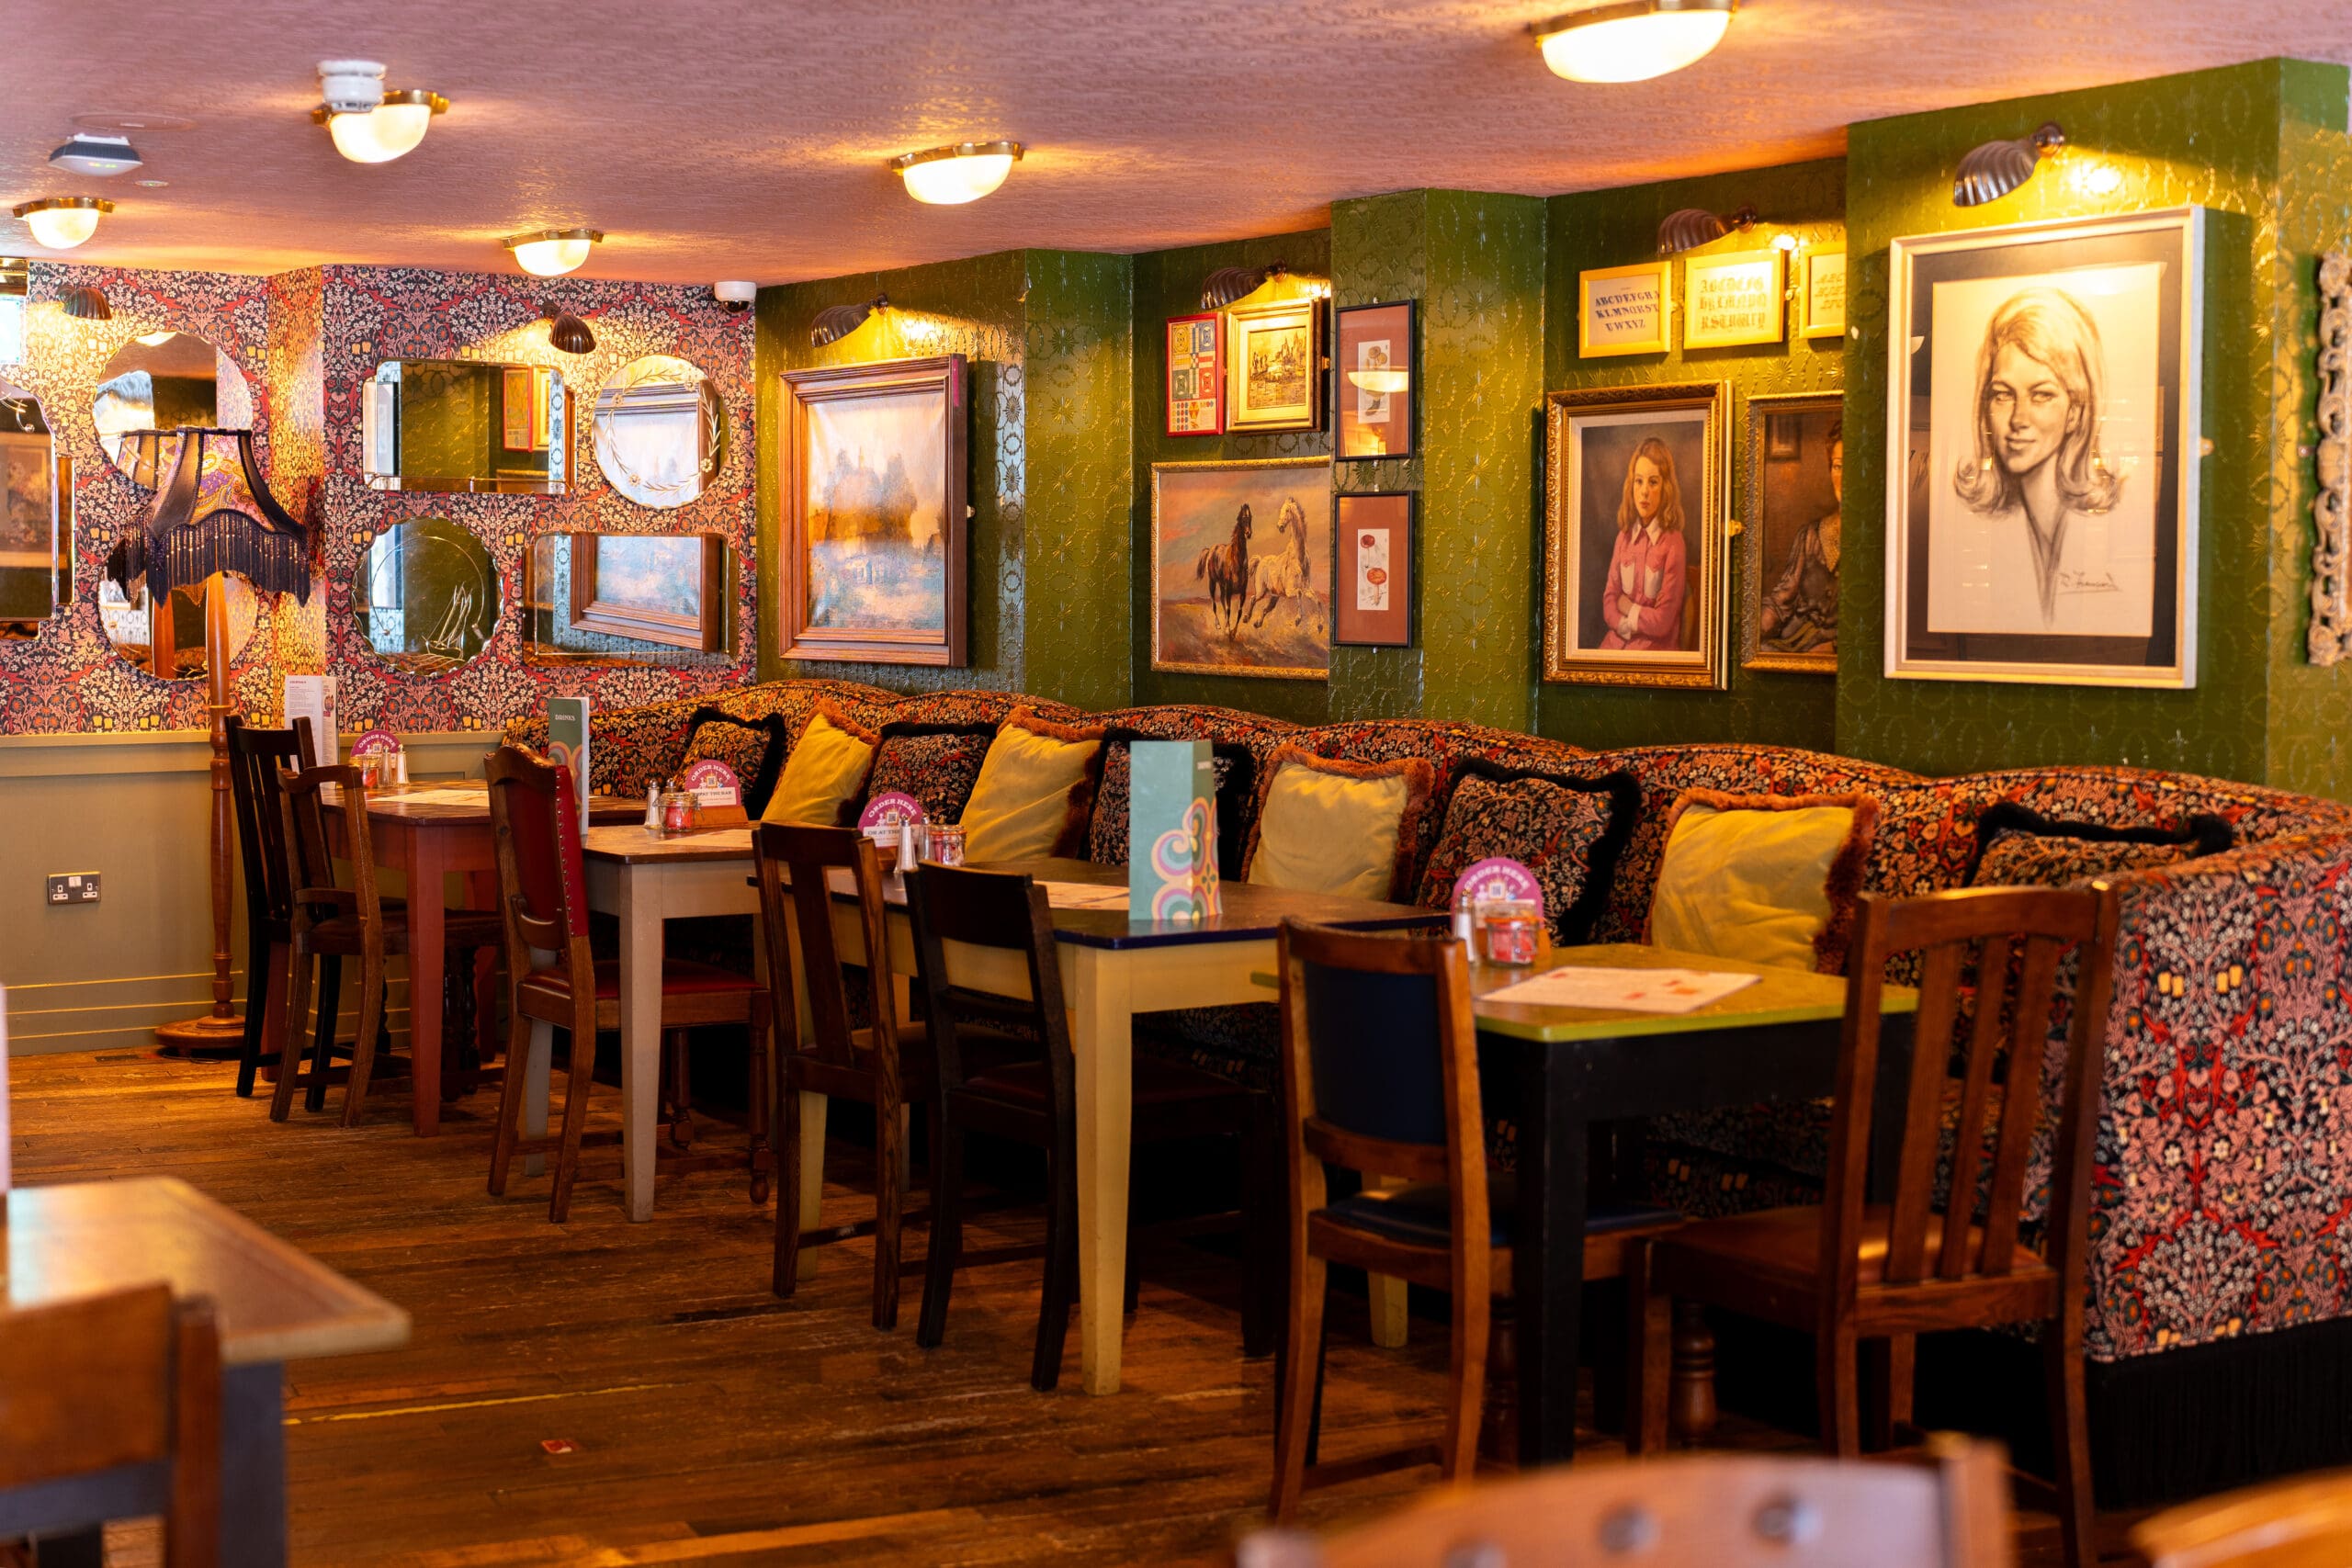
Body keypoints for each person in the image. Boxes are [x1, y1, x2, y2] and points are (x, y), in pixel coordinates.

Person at [1950, 286, 2125, 629]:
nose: (2018, 419)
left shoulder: (2089, 526)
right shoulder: (2002, 527)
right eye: (2002, 395)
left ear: (2075, 411)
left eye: (2042, 395)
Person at [1598, 436, 1688, 651]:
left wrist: (1627, 606)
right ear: (1632, 485)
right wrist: (1623, 624)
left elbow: (1663, 621)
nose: (1644, 491)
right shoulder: (1624, 537)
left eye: (1653, 482)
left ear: (1665, 487)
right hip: (1616, 640)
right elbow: (1610, 599)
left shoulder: (1673, 543)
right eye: (1639, 481)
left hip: (1653, 651)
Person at [1759, 421, 1840, 655]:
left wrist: (1835, 647)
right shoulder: (1810, 535)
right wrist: (1753, 629)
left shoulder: (1877, 541)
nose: (1845, 476)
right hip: (1793, 640)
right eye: (1838, 466)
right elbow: (1781, 600)